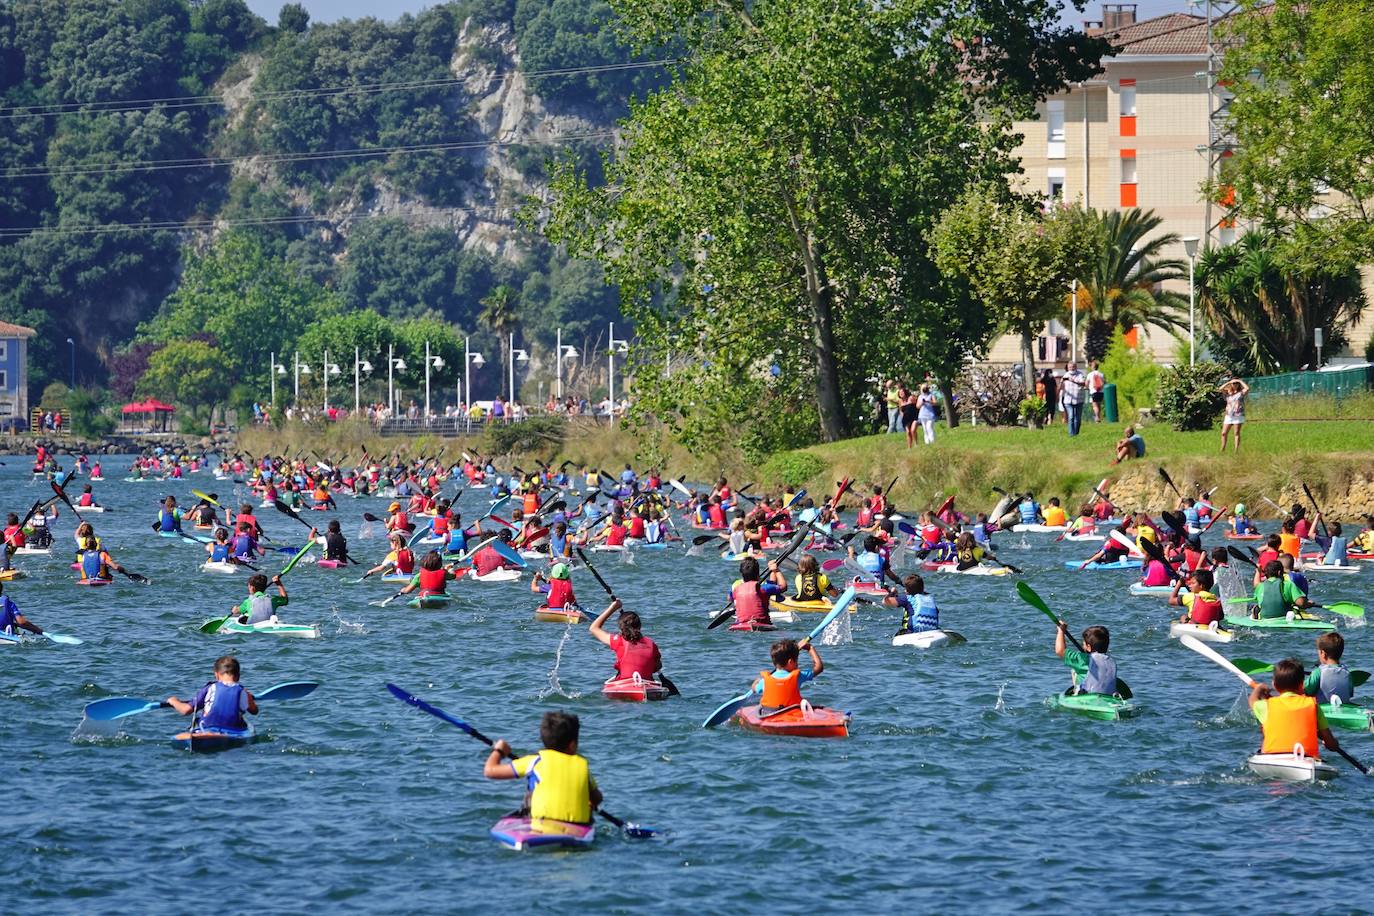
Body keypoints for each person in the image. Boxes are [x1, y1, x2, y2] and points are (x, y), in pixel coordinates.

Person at [483, 711, 602, 830]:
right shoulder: (582, 766)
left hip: (540, 827)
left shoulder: (534, 761)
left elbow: (490, 770)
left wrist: (499, 751)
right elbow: (597, 798)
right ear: (572, 745)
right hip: (577, 828)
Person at [1249, 658, 1342, 761]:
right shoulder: (1312, 705)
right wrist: (1332, 744)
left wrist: (1259, 688)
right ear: (1302, 685)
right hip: (1306, 759)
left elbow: (1253, 700)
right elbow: (1331, 744)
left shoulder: (1267, 705)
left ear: (1274, 685)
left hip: (1272, 758)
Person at [165, 656, 258, 733]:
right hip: (234, 730)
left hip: (207, 728)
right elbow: (254, 711)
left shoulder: (209, 688)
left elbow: (186, 710)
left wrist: (174, 701)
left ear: (216, 675)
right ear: (238, 676)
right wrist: (249, 698)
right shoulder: (243, 691)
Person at [588, 597, 662, 680]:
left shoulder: (618, 641)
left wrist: (613, 608)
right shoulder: (651, 644)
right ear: (640, 626)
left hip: (625, 682)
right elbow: (657, 667)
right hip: (645, 683)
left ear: (621, 629)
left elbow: (593, 628)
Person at [752, 638, 824, 712]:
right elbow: (819, 668)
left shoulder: (764, 681)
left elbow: (755, 689)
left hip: (770, 715)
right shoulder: (798, 676)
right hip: (792, 714)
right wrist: (810, 648)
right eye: (796, 660)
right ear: (790, 662)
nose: (797, 663)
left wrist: (755, 683)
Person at [1054, 622, 1118, 696]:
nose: (1082, 645)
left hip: (1086, 695)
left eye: (1083, 643)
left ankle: (1076, 692)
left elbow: (1060, 651)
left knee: (1074, 671)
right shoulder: (1110, 661)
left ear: (1089, 647)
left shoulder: (1082, 659)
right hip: (1108, 695)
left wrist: (1061, 631)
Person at [730, 556, 786, 629]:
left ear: (742, 573)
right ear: (758, 574)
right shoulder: (763, 588)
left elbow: (730, 598)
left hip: (741, 625)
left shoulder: (736, 590)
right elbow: (783, 586)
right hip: (762, 624)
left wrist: (773, 572)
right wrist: (777, 571)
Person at [1304, 632, 1354, 704]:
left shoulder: (1318, 672)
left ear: (1323, 654)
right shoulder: (1347, 673)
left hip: (1323, 711)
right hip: (1343, 710)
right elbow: (1350, 694)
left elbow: (1305, 691)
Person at [1220, 377, 1250, 453]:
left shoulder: (1241, 393)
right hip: (1229, 415)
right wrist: (1229, 382)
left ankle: (1236, 450)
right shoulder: (1228, 393)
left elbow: (1247, 388)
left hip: (1238, 415)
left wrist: (1240, 381)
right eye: (1234, 383)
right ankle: (1222, 449)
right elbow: (1220, 389)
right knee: (1223, 433)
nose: (1235, 385)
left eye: (1236, 383)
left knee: (1236, 433)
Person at [1060, 362, 1086, 436]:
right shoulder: (1065, 375)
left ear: (1076, 367)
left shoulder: (1080, 374)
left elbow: (1083, 383)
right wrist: (1061, 382)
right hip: (1068, 400)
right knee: (1071, 416)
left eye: (1073, 367)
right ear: (1068, 368)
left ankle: (1076, 433)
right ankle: (1071, 434)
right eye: (1070, 367)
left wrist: (1073, 381)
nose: (1072, 368)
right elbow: (1061, 387)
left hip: (1079, 399)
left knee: (1077, 418)